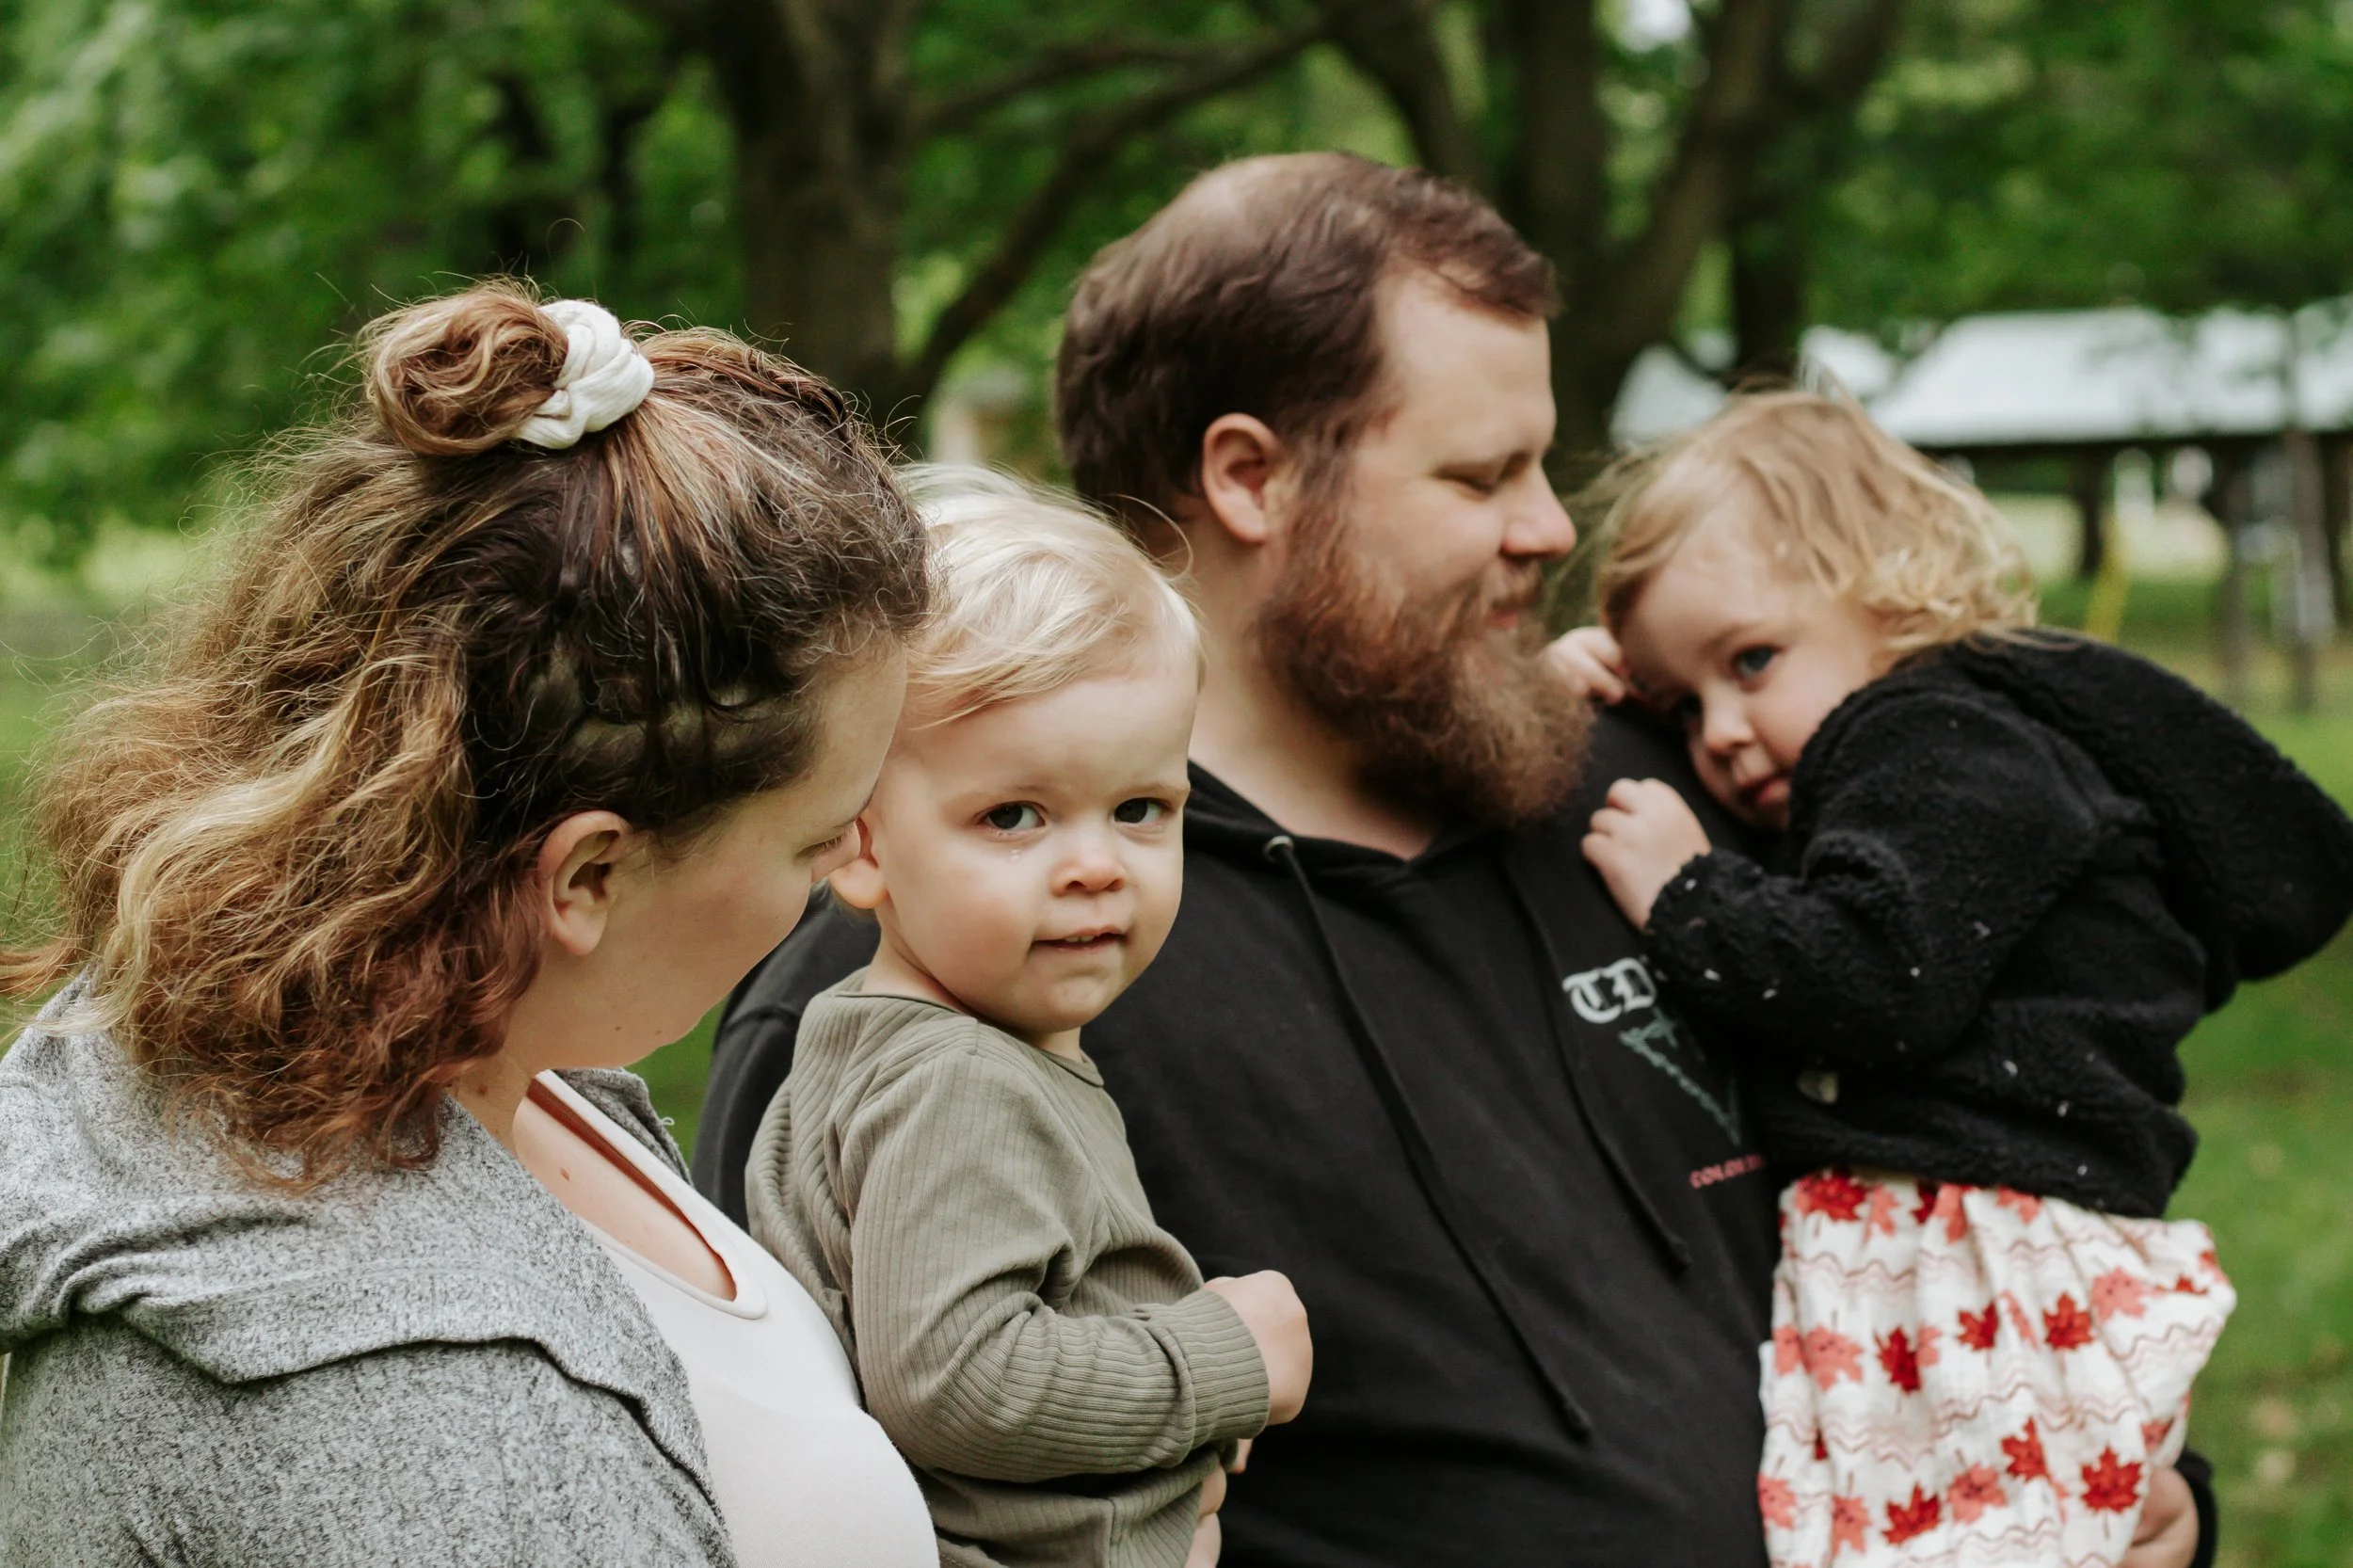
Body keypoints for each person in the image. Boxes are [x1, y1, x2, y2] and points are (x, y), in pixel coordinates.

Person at [696, 152, 2216, 1568]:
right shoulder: (946, 966)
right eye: (1483, 478)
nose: (1552, 526)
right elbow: (837, 1505)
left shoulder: (1633, 805)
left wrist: (2139, 1477)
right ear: (1250, 476)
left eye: (1544, 468)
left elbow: (1977, 1119)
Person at [0, 285, 939, 1568]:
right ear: (588, 876)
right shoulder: (422, 1426)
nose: (834, 882)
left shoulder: (430, 1067)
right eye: (815, 839)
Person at [1559, 391, 2353, 1566]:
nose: (1719, 731)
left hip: (1988, 1242)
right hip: (1955, 1238)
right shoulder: (1897, 754)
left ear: (1887, 592)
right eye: (1679, 704)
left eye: (1750, 661)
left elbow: (1880, 978)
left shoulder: (1943, 740)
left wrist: (1688, 892)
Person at [747, 471, 1311, 1568]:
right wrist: (1220, 1358)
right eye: (1014, 816)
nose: (1095, 867)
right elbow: (956, 1383)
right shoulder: (956, 1078)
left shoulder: (888, 1041)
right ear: (859, 844)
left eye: (1140, 808)